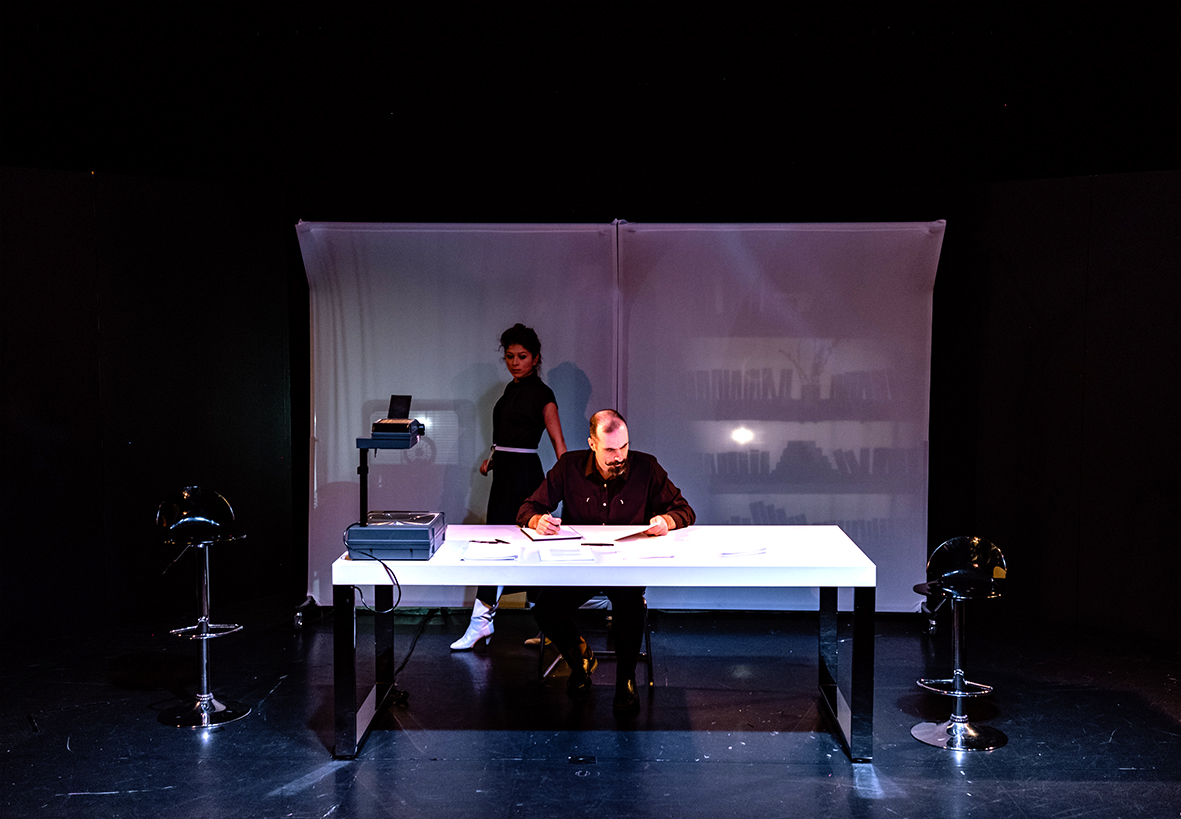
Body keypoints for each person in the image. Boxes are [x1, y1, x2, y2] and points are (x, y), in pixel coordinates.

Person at [518, 409, 695, 712]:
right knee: (546, 607)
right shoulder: (569, 466)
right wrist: (538, 520)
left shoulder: (646, 467)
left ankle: (626, 680)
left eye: (624, 446)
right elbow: (528, 507)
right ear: (592, 444)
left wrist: (666, 520)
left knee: (629, 604)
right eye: (610, 450)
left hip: (626, 564)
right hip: (582, 564)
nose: (619, 456)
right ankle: (581, 659)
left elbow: (685, 510)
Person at [451, 323, 567, 650]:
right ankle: (496, 623)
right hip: (504, 474)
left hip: (525, 477)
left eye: (522, 356)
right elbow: (506, 436)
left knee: (520, 546)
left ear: (536, 358)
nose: (515, 362)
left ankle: (488, 622)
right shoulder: (509, 390)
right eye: (510, 356)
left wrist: (569, 481)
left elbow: (558, 442)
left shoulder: (543, 395)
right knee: (499, 545)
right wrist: (492, 459)